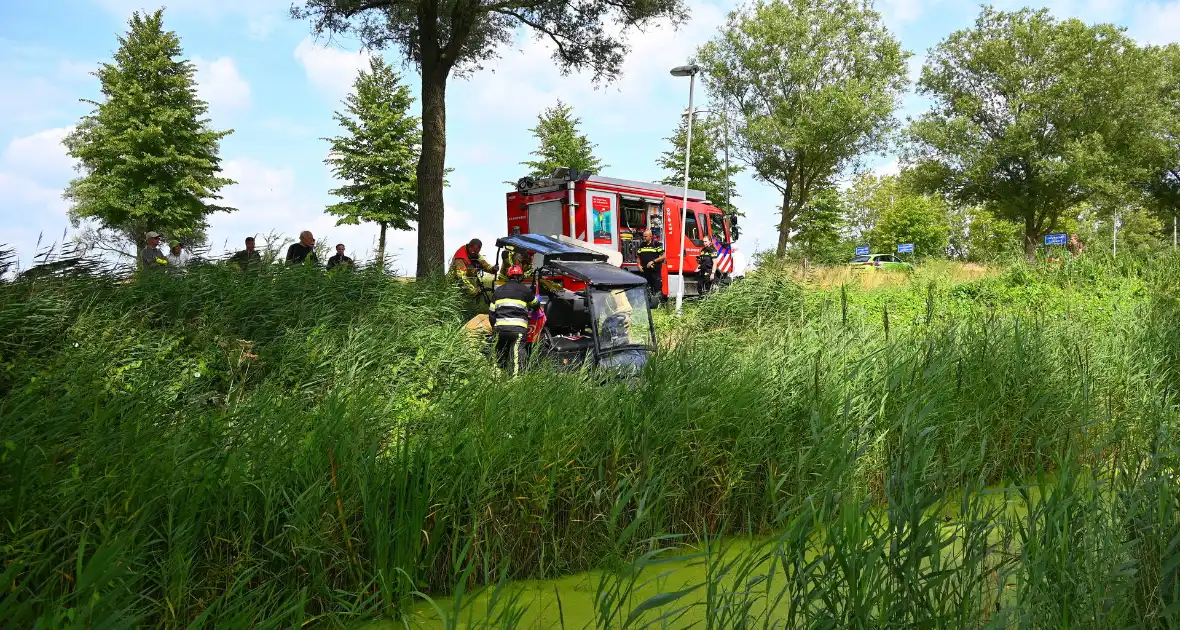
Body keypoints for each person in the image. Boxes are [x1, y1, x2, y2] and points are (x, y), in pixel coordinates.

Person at [489, 264, 539, 377]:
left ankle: (497, 376)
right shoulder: (525, 290)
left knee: (500, 352)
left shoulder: (498, 291)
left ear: (508, 276)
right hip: (518, 329)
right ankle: (516, 381)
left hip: (500, 329)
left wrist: (495, 327)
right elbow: (536, 304)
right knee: (517, 354)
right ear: (521, 277)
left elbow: (491, 313)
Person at [636, 230, 666, 303]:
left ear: (650, 236)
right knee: (645, 289)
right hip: (645, 271)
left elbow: (663, 256)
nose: (644, 238)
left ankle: (659, 305)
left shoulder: (656, 244)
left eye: (645, 236)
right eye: (643, 236)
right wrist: (639, 265)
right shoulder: (642, 245)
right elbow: (638, 257)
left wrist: (653, 261)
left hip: (654, 272)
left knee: (657, 289)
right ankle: (647, 304)